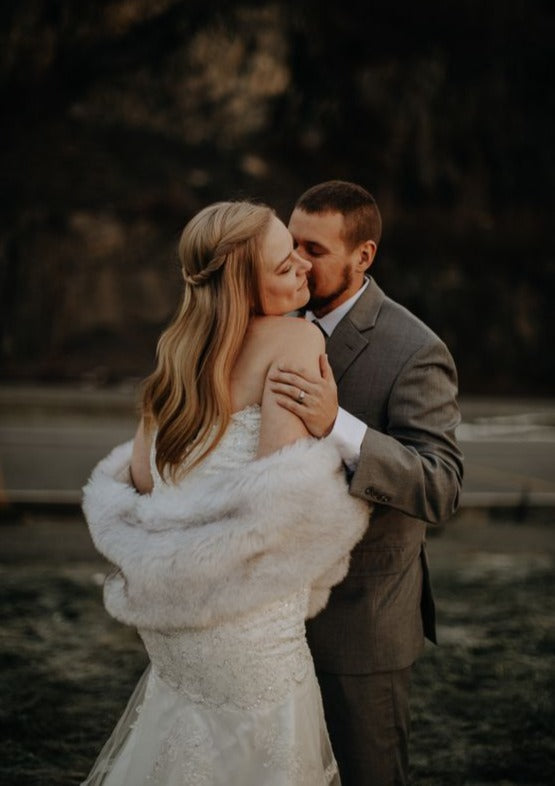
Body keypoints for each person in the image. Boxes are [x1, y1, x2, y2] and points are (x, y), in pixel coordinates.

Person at [80, 200, 370, 785]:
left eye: (299, 254)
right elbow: (277, 503)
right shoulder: (295, 340)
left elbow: (142, 485)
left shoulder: (176, 356)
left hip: (176, 626)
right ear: (241, 283)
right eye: (284, 265)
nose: (303, 269)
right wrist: (328, 436)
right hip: (248, 621)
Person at [269, 180, 464, 786]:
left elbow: (441, 486)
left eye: (315, 249)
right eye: (291, 243)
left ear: (364, 256)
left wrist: (338, 426)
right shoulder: (272, 318)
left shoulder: (415, 349)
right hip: (267, 622)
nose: (296, 260)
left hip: (361, 626)